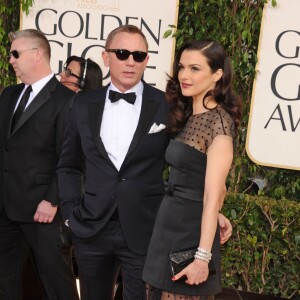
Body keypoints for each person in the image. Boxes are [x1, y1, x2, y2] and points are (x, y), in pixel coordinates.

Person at [56, 25, 233, 300]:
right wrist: (69, 213)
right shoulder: (81, 105)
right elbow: (68, 165)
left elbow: (192, 166)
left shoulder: (169, 105)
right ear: (106, 57)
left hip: (147, 231)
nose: (130, 61)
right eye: (122, 53)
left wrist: (212, 210)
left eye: (138, 55)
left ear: (147, 60)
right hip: (91, 228)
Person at [142, 39, 242, 299]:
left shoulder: (219, 124)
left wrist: (202, 258)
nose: (185, 75)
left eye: (195, 69)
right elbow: (208, 183)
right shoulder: (187, 113)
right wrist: (217, 213)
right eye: (182, 67)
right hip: (169, 221)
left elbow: (211, 196)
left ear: (217, 75)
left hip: (190, 233)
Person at [0, 29, 79, 300]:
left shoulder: (66, 100)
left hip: (41, 210)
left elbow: (69, 157)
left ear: (37, 54)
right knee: (5, 280)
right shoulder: (8, 95)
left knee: (56, 279)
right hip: (6, 206)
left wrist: (51, 199)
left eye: (15, 53)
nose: (11, 59)